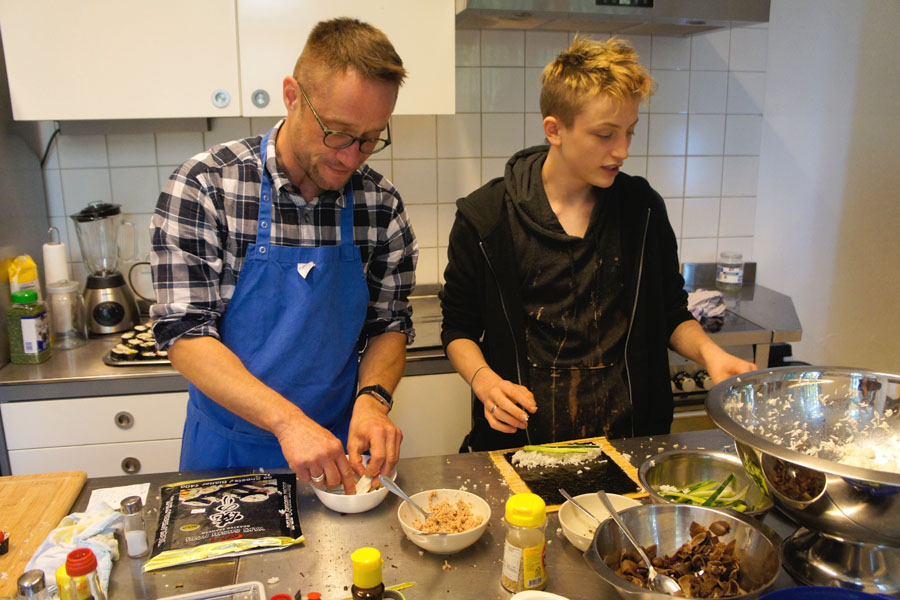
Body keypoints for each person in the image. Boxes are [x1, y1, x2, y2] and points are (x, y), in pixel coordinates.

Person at [440, 36, 756, 452]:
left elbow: (671, 313)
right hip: (522, 444)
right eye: (605, 134)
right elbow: (459, 327)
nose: (622, 151)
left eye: (629, 132)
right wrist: (484, 381)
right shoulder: (486, 218)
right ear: (554, 130)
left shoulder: (642, 210)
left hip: (631, 444)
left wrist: (711, 355)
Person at [150, 18, 417, 493]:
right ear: (292, 95)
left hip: (339, 453)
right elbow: (184, 334)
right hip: (227, 453)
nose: (351, 158)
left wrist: (373, 400)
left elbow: (388, 325)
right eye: (338, 133)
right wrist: (288, 422)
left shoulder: (380, 204)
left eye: (370, 139)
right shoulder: (206, 186)